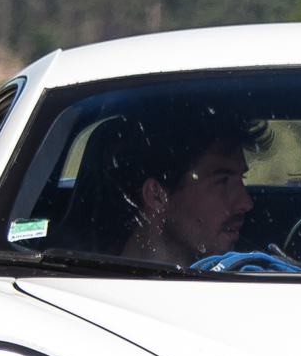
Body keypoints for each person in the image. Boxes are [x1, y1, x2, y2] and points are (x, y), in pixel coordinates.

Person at [63, 110, 265, 265]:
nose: (246, 203)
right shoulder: (83, 294)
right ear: (156, 195)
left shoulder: (253, 274)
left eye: (242, 179)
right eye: (222, 181)